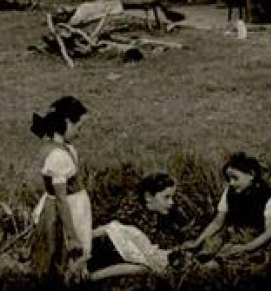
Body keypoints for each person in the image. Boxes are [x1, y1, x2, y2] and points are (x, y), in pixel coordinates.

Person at [28, 95, 92, 281]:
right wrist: (71, 235)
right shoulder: (58, 156)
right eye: (79, 127)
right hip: (67, 209)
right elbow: (61, 199)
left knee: (70, 253)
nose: (80, 133)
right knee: (65, 249)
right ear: (67, 123)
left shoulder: (64, 148)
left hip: (73, 204)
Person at [87, 172, 186, 281]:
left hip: (125, 244)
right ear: (148, 197)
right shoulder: (132, 212)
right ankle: (92, 277)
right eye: (166, 197)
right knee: (145, 267)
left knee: (152, 264)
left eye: (172, 197)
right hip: (111, 246)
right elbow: (113, 228)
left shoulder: (154, 215)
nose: (171, 202)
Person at [186, 152, 271, 262]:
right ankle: (199, 258)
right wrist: (197, 242)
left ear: (251, 174)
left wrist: (246, 248)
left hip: (252, 239)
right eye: (229, 179)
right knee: (211, 243)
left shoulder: (270, 198)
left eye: (235, 178)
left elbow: (269, 232)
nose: (231, 183)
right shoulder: (230, 193)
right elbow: (217, 222)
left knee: (228, 254)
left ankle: (216, 262)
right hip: (230, 233)